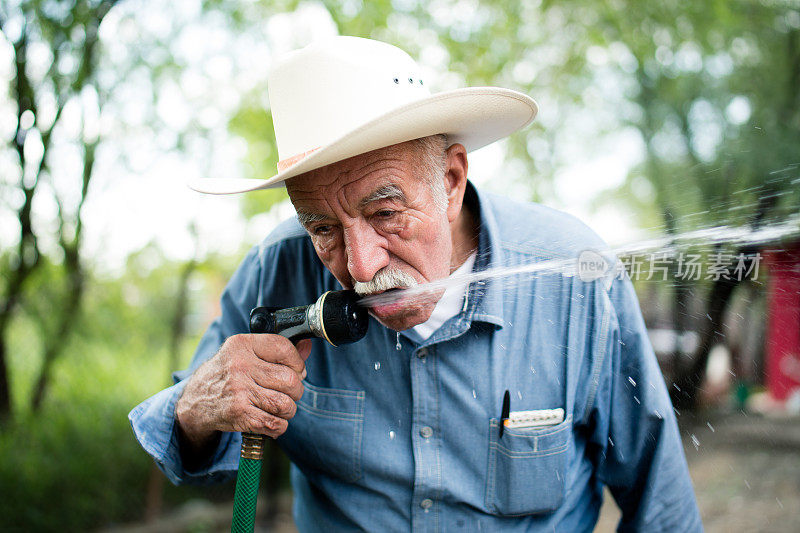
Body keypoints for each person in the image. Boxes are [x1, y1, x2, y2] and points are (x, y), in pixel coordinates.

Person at [129, 36, 702, 531]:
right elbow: (184, 448)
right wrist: (198, 406)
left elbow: (662, 506)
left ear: (451, 180)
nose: (359, 267)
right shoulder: (278, 270)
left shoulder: (572, 277)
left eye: (385, 214)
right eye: (323, 228)